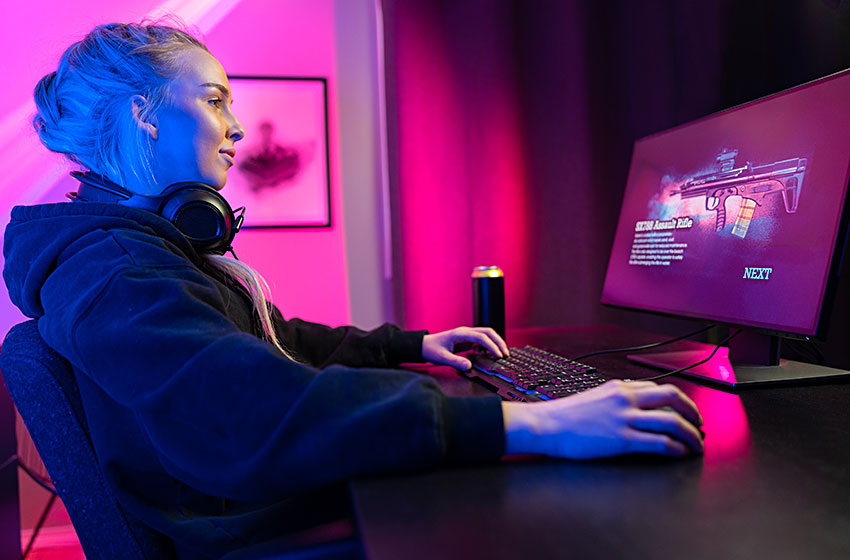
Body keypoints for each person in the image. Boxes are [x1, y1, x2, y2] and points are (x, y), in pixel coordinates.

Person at [3, 21, 704, 560]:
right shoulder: (118, 273)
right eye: (215, 100)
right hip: (246, 533)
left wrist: (412, 345)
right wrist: (536, 423)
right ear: (144, 115)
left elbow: (274, 340)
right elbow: (254, 404)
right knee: (542, 513)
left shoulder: (139, 251)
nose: (237, 127)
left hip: (247, 507)